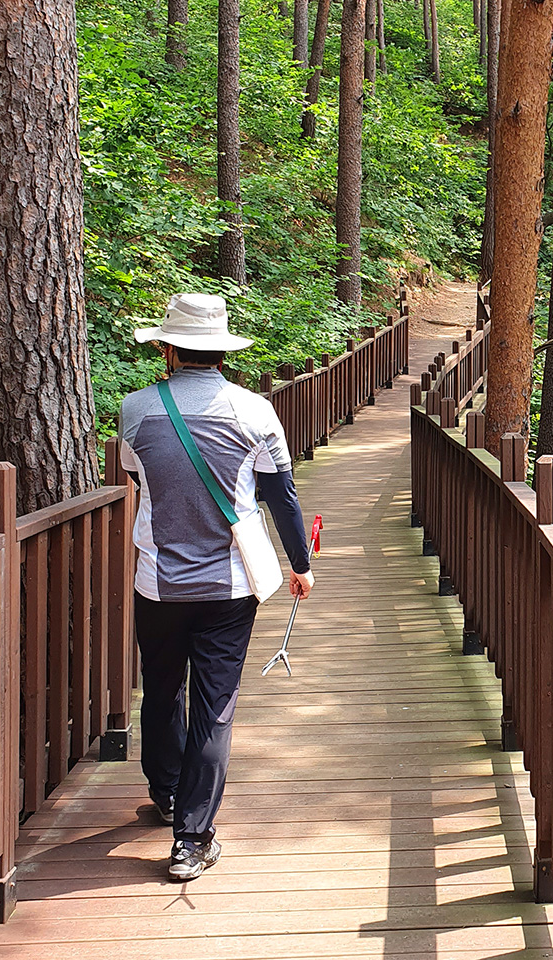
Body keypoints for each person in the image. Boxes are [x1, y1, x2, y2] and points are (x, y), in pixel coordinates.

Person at [119, 293, 314, 881]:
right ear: (223, 352)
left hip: (158, 581)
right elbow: (281, 494)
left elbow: (136, 476)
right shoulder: (255, 412)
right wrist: (300, 563)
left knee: (160, 687)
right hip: (229, 587)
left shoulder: (136, 410)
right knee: (214, 707)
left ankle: (166, 790)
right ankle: (192, 839)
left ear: (170, 348)